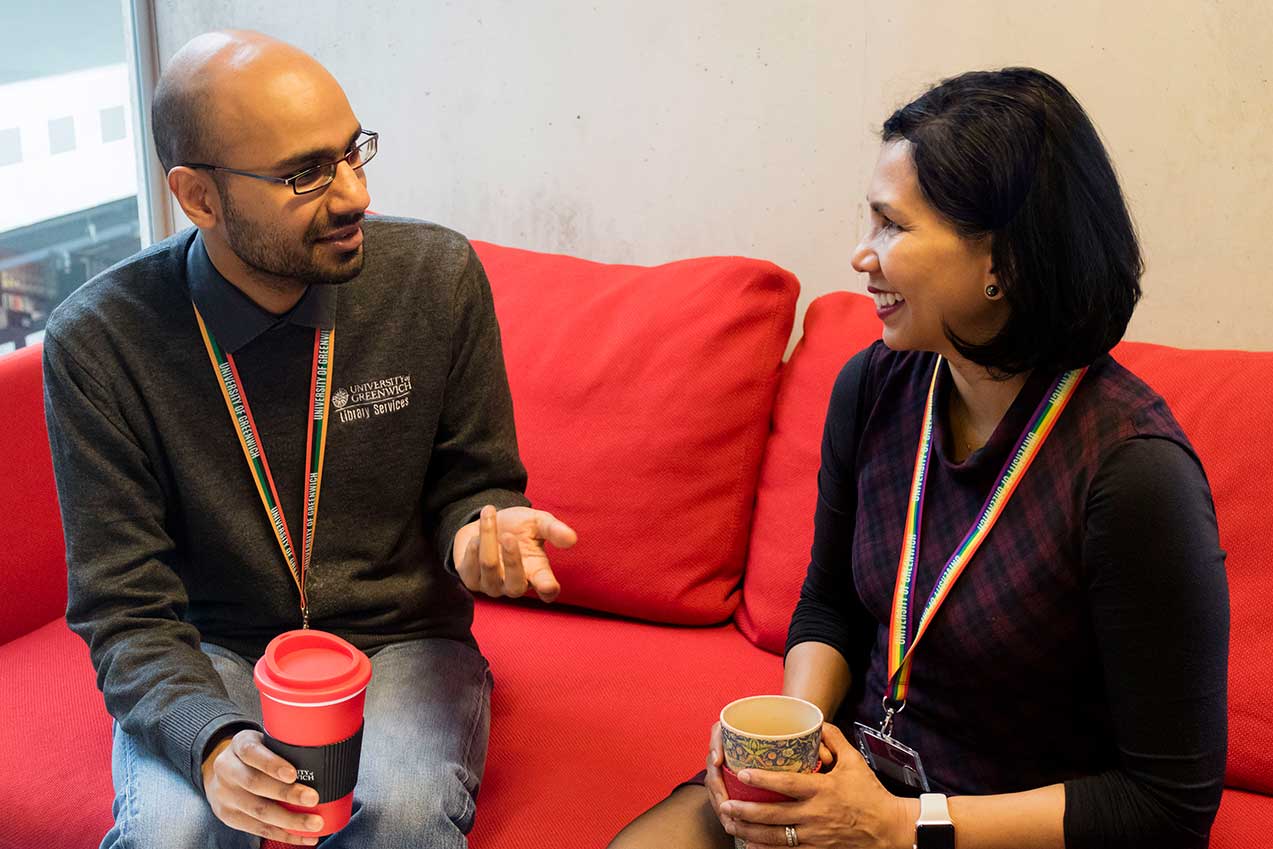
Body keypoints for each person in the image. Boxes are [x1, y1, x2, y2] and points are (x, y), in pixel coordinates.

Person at [609, 67, 1228, 849]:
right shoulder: (873, 386)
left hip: (999, 828)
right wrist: (793, 743)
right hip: (863, 784)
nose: (860, 255)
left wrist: (898, 825)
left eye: (891, 227)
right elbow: (829, 603)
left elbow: (1167, 806)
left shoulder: (1134, 474)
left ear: (1001, 262)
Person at [43, 30, 577, 848]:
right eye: (304, 174)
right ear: (198, 197)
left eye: (353, 151)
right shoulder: (103, 341)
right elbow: (123, 607)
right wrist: (210, 739)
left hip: (400, 638)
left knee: (398, 817)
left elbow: (477, 480)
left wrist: (480, 530)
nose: (354, 194)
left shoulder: (435, 278)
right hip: (209, 645)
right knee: (175, 833)